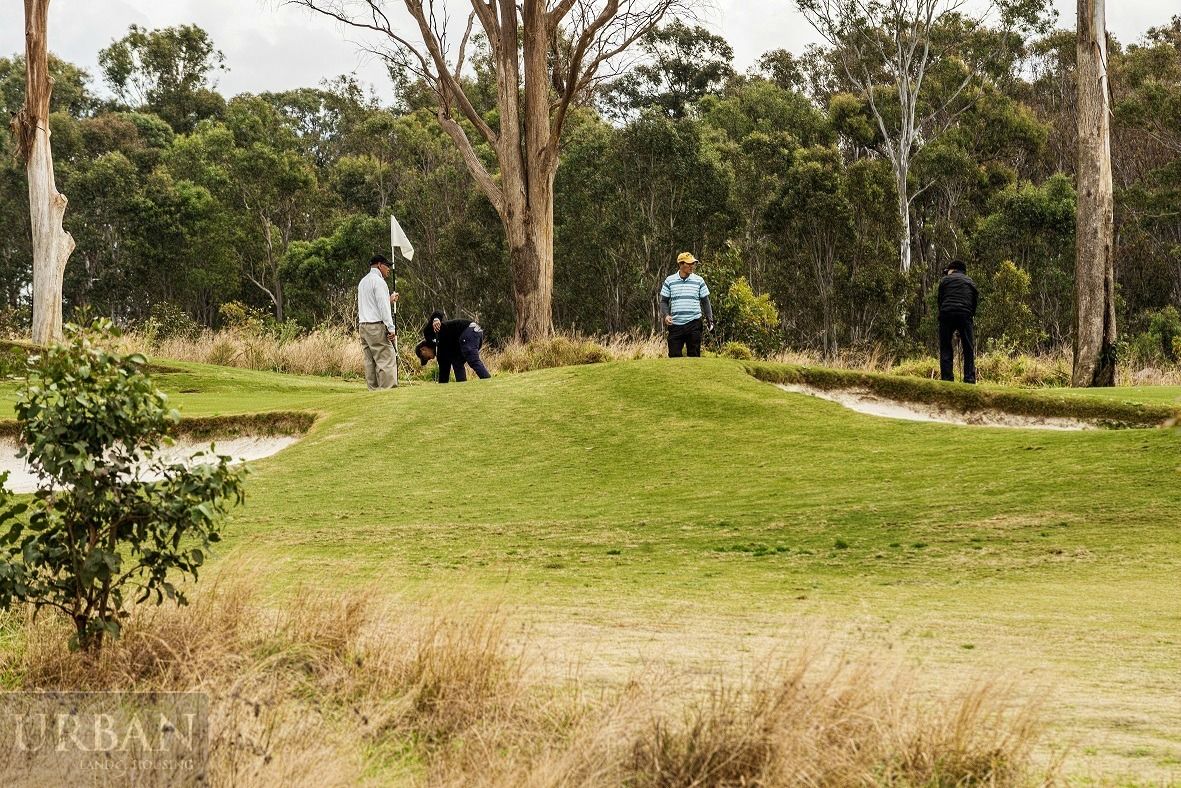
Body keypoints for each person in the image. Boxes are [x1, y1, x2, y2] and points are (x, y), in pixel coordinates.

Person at [357, 254, 400, 390]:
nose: (388, 269)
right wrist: (391, 328)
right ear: (380, 265)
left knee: (370, 361)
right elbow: (383, 308)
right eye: (387, 266)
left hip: (363, 326)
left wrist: (389, 299)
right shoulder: (379, 282)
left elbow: (373, 304)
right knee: (386, 358)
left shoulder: (363, 281)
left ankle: (373, 391)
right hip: (377, 326)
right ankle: (388, 392)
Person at [659, 252, 714, 357]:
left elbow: (705, 301)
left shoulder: (699, 280)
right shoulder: (669, 281)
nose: (691, 266)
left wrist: (710, 320)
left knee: (694, 357)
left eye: (693, 264)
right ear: (680, 264)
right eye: (689, 264)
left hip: (694, 323)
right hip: (675, 324)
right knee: (674, 357)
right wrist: (666, 315)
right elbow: (664, 301)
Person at [937, 259, 979, 384]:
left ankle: (947, 379)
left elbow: (940, 301)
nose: (947, 273)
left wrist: (942, 314)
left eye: (947, 271)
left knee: (945, 347)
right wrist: (967, 321)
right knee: (968, 348)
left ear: (952, 269)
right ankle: (969, 379)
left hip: (946, 314)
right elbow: (974, 304)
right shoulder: (970, 282)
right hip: (965, 315)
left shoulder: (944, 281)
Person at [415, 315, 491, 383]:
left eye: (426, 358)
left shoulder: (430, 335)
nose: (430, 359)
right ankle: (462, 388)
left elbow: (437, 313)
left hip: (469, 331)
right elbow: (444, 372)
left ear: (423, 349)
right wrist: (441, 390)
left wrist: (436, 319)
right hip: (472, 335)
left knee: (473, 360)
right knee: (457, 362)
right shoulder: (441, 354)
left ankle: (488, 382)